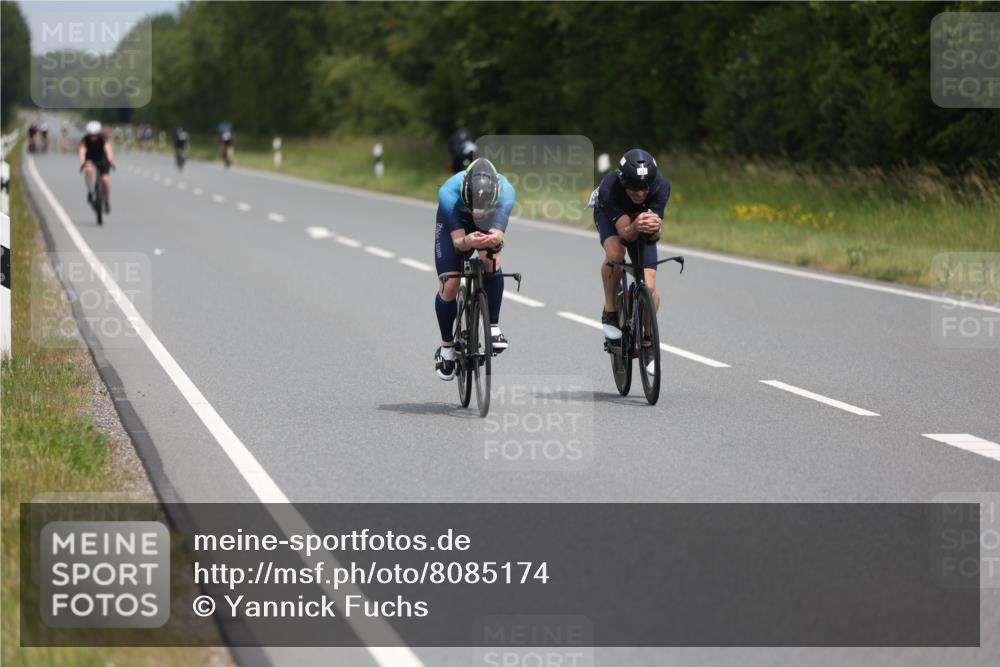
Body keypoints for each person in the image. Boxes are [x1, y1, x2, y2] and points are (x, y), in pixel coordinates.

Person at [433, 158, 516, 381]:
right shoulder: (448, 191)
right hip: (456, 223)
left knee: (492, 259)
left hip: (491, 217)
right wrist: (468, 240)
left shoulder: (506, 192)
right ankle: (446, 347)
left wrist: (494, 239)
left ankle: (493, 327)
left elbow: (499, 237)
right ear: (465, 192)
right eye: (473, 206)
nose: (476, 213)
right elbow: (459, 244)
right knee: (450, 284)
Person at [592, 148, 670, 347]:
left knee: (650, 287)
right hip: (613, 217)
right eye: (634, 187)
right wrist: (635, 227)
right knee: (616, 253)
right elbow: (624, 233)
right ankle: (610, 311)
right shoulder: (610, 188)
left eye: (645, 187)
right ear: (624, 182)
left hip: (639, 218)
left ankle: (648, 339)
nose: (641, 193)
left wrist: (653, 228)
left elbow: (655, 235)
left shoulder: (661, 185)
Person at [78, 120, 115, 213]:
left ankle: (106, 199)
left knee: (105, 180)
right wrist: (82, 162)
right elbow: (82, 151)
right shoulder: (85, 139)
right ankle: (90, 191)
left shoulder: (103, 138)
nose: (93, 137)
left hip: (102, 158)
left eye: (95, 135)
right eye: (91, 135)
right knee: (89, 170)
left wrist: (110, 160)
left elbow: (108, 149)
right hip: (90, 157)